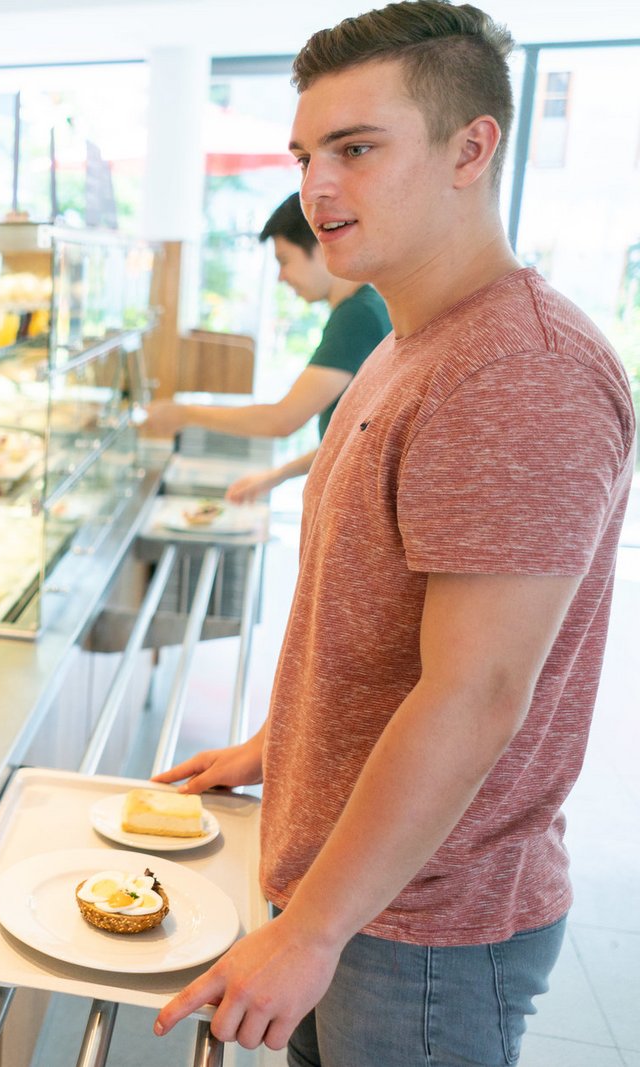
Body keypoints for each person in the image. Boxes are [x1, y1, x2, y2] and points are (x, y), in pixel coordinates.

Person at [151, 4, 633, 1065]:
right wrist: (278, 748)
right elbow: (374, 627)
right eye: (306, 153)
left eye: (357, 149)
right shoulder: (412, 339)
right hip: (355, 886)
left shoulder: (519, 371)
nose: (317, 185)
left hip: (423, 930)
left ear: (472, 146)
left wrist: (314, 926)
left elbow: (472, 695)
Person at [142, 193, 390, 504]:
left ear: (321, 244)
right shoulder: (365, 307)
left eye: (284, 261)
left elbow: (282, 419)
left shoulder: (357, 317)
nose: (281, 276)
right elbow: (347, 440)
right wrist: (276, 476)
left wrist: (183, 414)